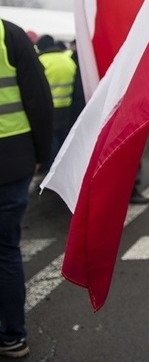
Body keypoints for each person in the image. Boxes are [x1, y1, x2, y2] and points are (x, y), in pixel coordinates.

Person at [0, 19, 53, 359]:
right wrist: (41, 154)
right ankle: (12, 336)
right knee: (6, 250)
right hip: (11, 160)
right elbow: (37, 97)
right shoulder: (9, 34)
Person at [35, 34, 77, 171]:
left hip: (49, 107)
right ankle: (63, 165)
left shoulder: (40, 61)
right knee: (62, 137)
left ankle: (52, 168)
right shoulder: (67, 60)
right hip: (66, 105)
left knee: (51, 138)